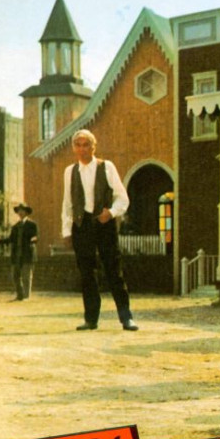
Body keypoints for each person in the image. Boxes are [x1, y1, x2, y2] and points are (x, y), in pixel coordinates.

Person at [61, 129, 138, 331]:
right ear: (74, 148)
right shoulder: (69, 171)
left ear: (93, 147)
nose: (82, 149)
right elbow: (67, 204)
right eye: (78, 145)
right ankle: (91, 319)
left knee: (114, 270)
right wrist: (67, 231)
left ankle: (126, 318)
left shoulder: (107, 167)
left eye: (86, 145)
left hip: (104, 223)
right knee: (87, 273)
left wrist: (111, 213)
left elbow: (123, 198)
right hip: (82, 225)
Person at [0, 203, 38, 301]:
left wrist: (33, 242)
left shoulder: (32, 225)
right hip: (17, 254)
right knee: (15, 276)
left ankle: (26, 296)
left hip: (27, 254)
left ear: (26, 212)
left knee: (26, 276)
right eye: (19, 211)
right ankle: (20, 295)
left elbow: (35, 237)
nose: (20, 212)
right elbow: (10, 239)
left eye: (22, 210)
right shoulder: (15, 226)